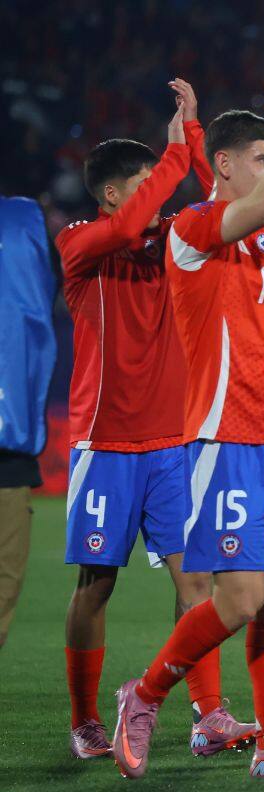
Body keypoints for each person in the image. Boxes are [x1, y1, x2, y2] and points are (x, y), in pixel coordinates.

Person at [110, 53, 264, 779]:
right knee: (241, 596)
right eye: (261, 157)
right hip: (226, 435)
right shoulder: (192, 229)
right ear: (220, 165)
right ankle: (146, 691)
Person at [56, 80, 257, 761]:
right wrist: (171, 156)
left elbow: (224, 203)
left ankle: (208, 714)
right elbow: (121, 229)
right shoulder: (83, 241)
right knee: (98, 582)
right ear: (114, 192)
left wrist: (196, 139)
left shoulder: (173, 242)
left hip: (174, 441)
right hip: (105, 442)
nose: (160, 192)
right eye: (145, 183)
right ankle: (85, 717)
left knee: (195, 582)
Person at [0, 192, 55, 652]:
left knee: (5, 585)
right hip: (12, 443)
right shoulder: (22, 223)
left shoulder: (19, 222)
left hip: (10, 452)